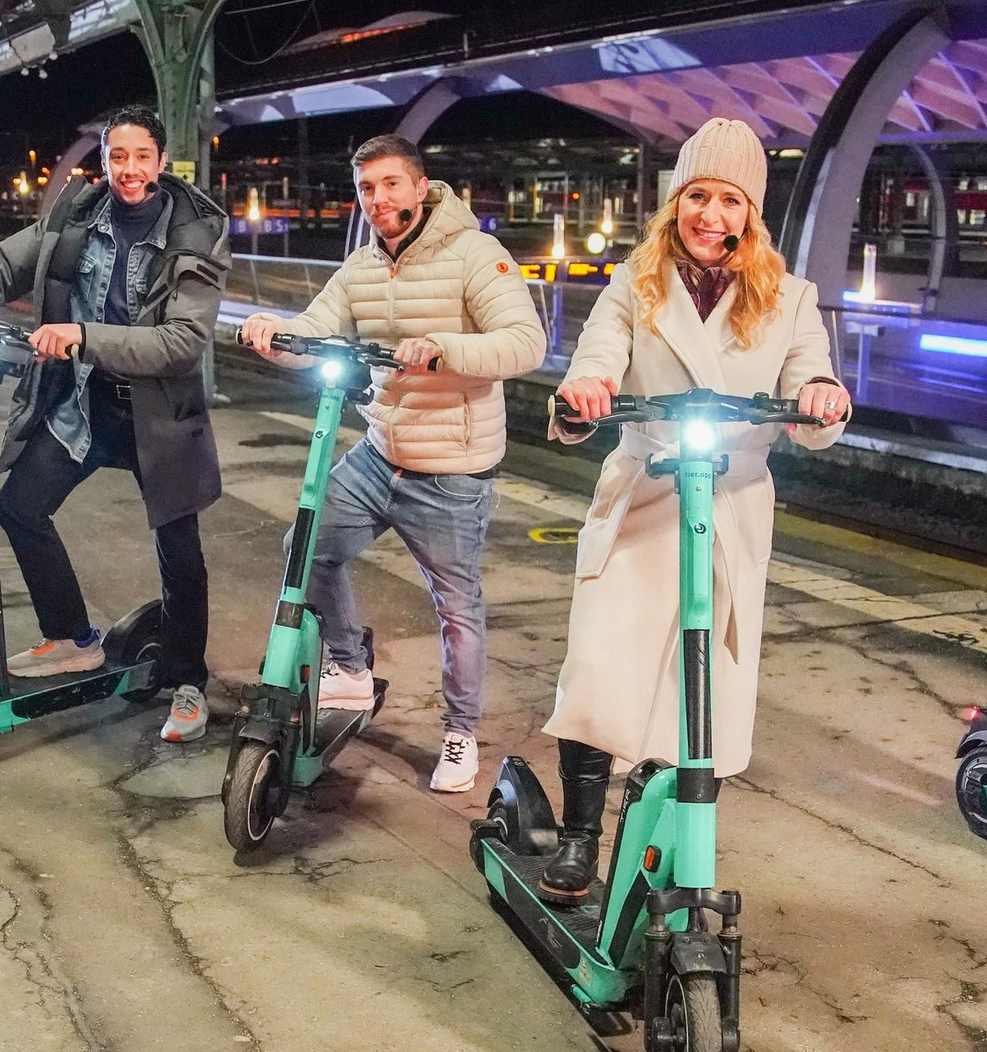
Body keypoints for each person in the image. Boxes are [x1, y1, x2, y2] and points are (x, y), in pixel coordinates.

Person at [537, 118, 851, 904]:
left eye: (730, 200)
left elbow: (812, 377)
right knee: (599, 667)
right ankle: (580, 835)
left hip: (730, 506)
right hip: (645, 493)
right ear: (675, 202)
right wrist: (586, 390)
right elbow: (597, 356)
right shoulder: (633, 282)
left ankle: (671, 839)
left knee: (700, 691)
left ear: (752, 213)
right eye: (698, 195)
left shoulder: (791, 298)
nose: (712, 214)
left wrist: (822, 397)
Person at [241, 135, 545, 793]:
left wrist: (443, 348)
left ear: (420, 186)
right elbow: (317, 328)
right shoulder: (361, 266)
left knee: (456, 607)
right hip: (381, 453)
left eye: (390, 184)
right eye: (366, 188)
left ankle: (461, 733)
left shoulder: (475, 254)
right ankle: (350, 666)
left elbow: (526, 343)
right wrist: (273, 335)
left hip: (453, 469)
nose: (378, 199)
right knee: (307, 548)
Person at [0, 104, 229, 742]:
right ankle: (73, 638)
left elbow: (181, 343)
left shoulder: (195, 233)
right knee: (19, 505)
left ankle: (187, 681)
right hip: (85, 405)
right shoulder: (75, 215)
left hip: (158, 417)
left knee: (179, 552)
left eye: (141, 156)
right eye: (117, 156)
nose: (129, 169)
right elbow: (9, 264)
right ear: (104, 160)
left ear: (161, 161)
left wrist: (81, 335)